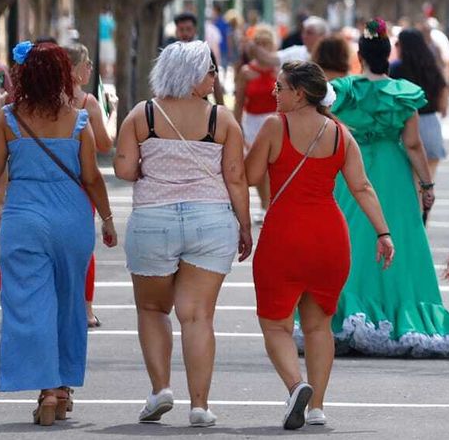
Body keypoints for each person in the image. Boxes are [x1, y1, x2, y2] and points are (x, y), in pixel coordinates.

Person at [247, 61, 394, 430]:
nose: (274, 93)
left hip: (284, 237)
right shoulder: (340, 134)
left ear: (300, 94)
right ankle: (317, 408)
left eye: (280, 87)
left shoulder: (275, 126)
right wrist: (383, 233)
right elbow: (362, 187)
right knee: (319, 327)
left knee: (276, 325)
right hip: (330, 239)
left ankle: (296, 386)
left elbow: (249, 175)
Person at [113, 42, 251, 427]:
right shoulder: (221, 120)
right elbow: (236, 178)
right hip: (210, 221)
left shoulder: (142, 115)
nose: (215, 77)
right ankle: (200, 405)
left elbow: (123, 169)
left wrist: (150, 167)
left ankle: (160, 389)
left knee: (152, 309)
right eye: (210, 70)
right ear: (191, 76)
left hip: (153, 219)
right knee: (198, 316)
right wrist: (245, 226)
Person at [0, 42, 116, 426]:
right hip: (71, 217)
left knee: (29, 303)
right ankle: (63, 386)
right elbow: (92, 177)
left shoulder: (8, 117)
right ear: (62, 75)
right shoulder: (78, 120)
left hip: (24, 217)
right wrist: (107, 218)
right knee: (70, 302)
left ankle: (46, 389)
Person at [327, 20, 449, 357]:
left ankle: (346, 311)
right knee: (399, 238)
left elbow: (327, 125)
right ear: (388, 55)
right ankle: (399, 311)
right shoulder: (403, 93)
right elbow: (412, 144)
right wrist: (426, 184)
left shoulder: (344, 91)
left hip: (351, 167)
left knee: (351, 235)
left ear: (360, 56)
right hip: (392, 172)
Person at [63, 43, 112, 329]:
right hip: (81, 184)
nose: (91, 68)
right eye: (87, 64)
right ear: (74, 71)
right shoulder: (87, 103)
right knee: (82, 248)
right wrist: (111, 115)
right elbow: (105, 145)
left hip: (49, 183)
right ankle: (86, 307)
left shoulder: (41, 100)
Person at [234, 27, 281, 220]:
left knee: (275, 165)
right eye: (258, 44)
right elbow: (239, 102)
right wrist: (237, 128)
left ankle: (273, 204)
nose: (261, 48)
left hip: (275, 120)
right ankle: (264, 204)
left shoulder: (279, 70)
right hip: (252, 122)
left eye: (265, 44)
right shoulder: (246, 72)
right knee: (259, 166)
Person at [392, 28, 449, 176]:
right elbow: (443, 97)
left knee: (411, 181)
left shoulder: (396, 69)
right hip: (430, 123)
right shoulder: (432, 67)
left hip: (404, 126)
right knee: (429, 180)